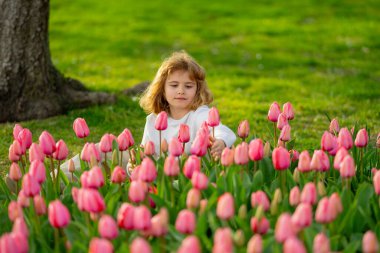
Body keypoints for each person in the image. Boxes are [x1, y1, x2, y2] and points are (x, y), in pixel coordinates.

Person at [138, 51, 236, 159]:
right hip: (164, 173)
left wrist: (221, 141)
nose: (181, 91)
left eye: (188, 86)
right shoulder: (154, 120)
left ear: (197, 90)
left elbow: (220, 129)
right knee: (124, 156)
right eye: (174, 85)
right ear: (162, 89)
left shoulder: (200, 114)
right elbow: (145, 153)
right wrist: (133, 165)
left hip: (195, 172)